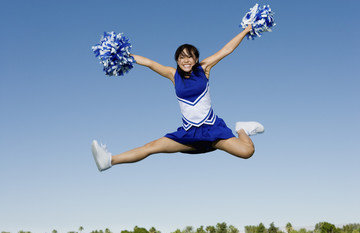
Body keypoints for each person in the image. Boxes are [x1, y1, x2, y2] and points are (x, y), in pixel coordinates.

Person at [91, 24, 264, 172]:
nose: (186, 60)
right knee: (151, 147)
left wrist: (247, 29)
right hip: (189, 134)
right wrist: (123, 56)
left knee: (247, 151)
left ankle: (242, 129)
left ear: (196, 59)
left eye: (190, 56)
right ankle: (109, 160)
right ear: (177, 60)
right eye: (182, 57)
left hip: (213, 131)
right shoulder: (173, 75)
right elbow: (149, 63)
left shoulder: (204, 69)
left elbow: (227, 49)